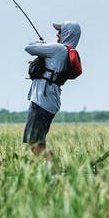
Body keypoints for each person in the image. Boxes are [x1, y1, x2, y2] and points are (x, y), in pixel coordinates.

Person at [23, 22, 82, 158]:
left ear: (68, 34)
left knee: (34, 143)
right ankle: (50, 169)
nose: (57, 34)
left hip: (41, 100)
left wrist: (41, 44)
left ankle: (53, 171)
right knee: (39, 143)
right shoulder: (65, 52)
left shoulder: (58, 49)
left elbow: (29, 48)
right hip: (49, 100)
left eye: (60, 32)